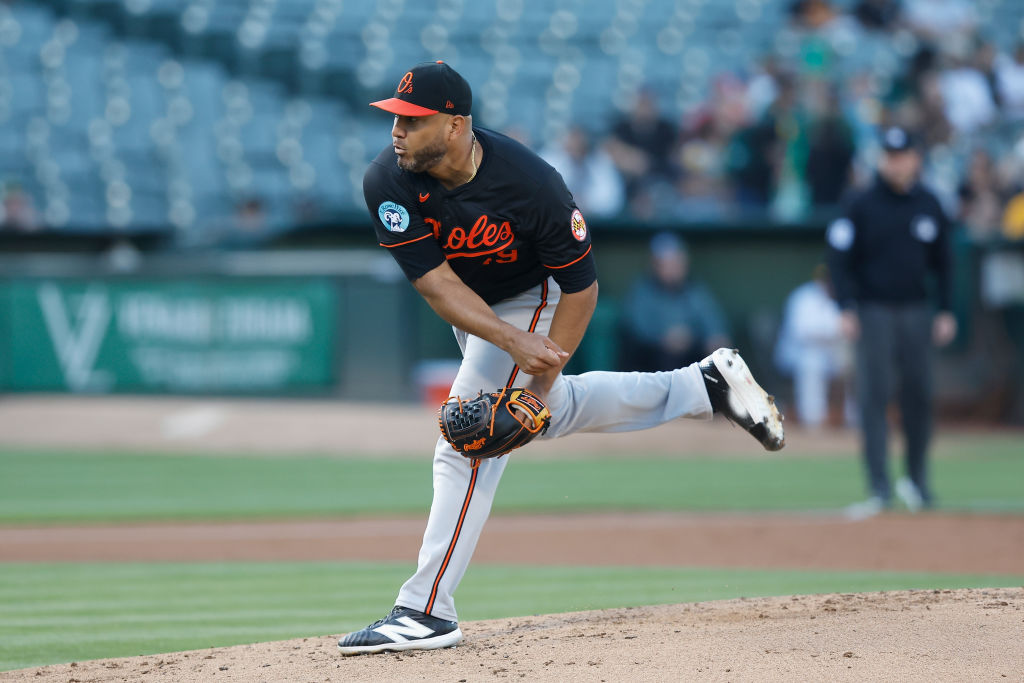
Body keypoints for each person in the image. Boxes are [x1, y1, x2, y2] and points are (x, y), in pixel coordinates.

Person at [338, 61, 785, 655]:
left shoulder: (530, 183)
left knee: (467, 435)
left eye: (414, 121)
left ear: (455, 126)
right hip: (477, 306)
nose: (397, 131)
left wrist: (532, 373)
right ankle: (705, 385)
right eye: (396, 117)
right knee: (530, 418)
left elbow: (582, 289)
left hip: (541, 292)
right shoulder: (387, 181)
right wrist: (520, 366)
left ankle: (425, 610)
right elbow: (437, 287)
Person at [826, 126, 957, 520]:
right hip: (873, 310)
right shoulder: (860, 202)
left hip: (916, 309)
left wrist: (946, 309)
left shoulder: (930, 203)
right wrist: (846, 306)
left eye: (902, 155)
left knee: (918, 395)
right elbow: (838, 259)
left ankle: (917, 482)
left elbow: (946, 264)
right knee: (874, 397)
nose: (895, 162)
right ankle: (879, 487)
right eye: (889, 155)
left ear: (916, 158)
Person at [619, 232, 731, 372]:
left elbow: (712, 321)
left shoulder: (694, 290)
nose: (675, 269)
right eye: (669, 264)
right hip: (653, 359)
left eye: (678, 262)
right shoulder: (643, 291)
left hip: (689, 355)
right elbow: (636, 328)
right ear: (655, 265)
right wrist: (662, 337)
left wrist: (714, 337)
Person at [774, 264, 851, 429]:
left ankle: (852, 420)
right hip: (798, 354)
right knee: (812, 363)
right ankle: (813, 422)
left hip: (831, 353)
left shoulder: (845, 296)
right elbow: (802, 332)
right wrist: (836, 328)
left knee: (851, 362)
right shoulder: (803, 297)